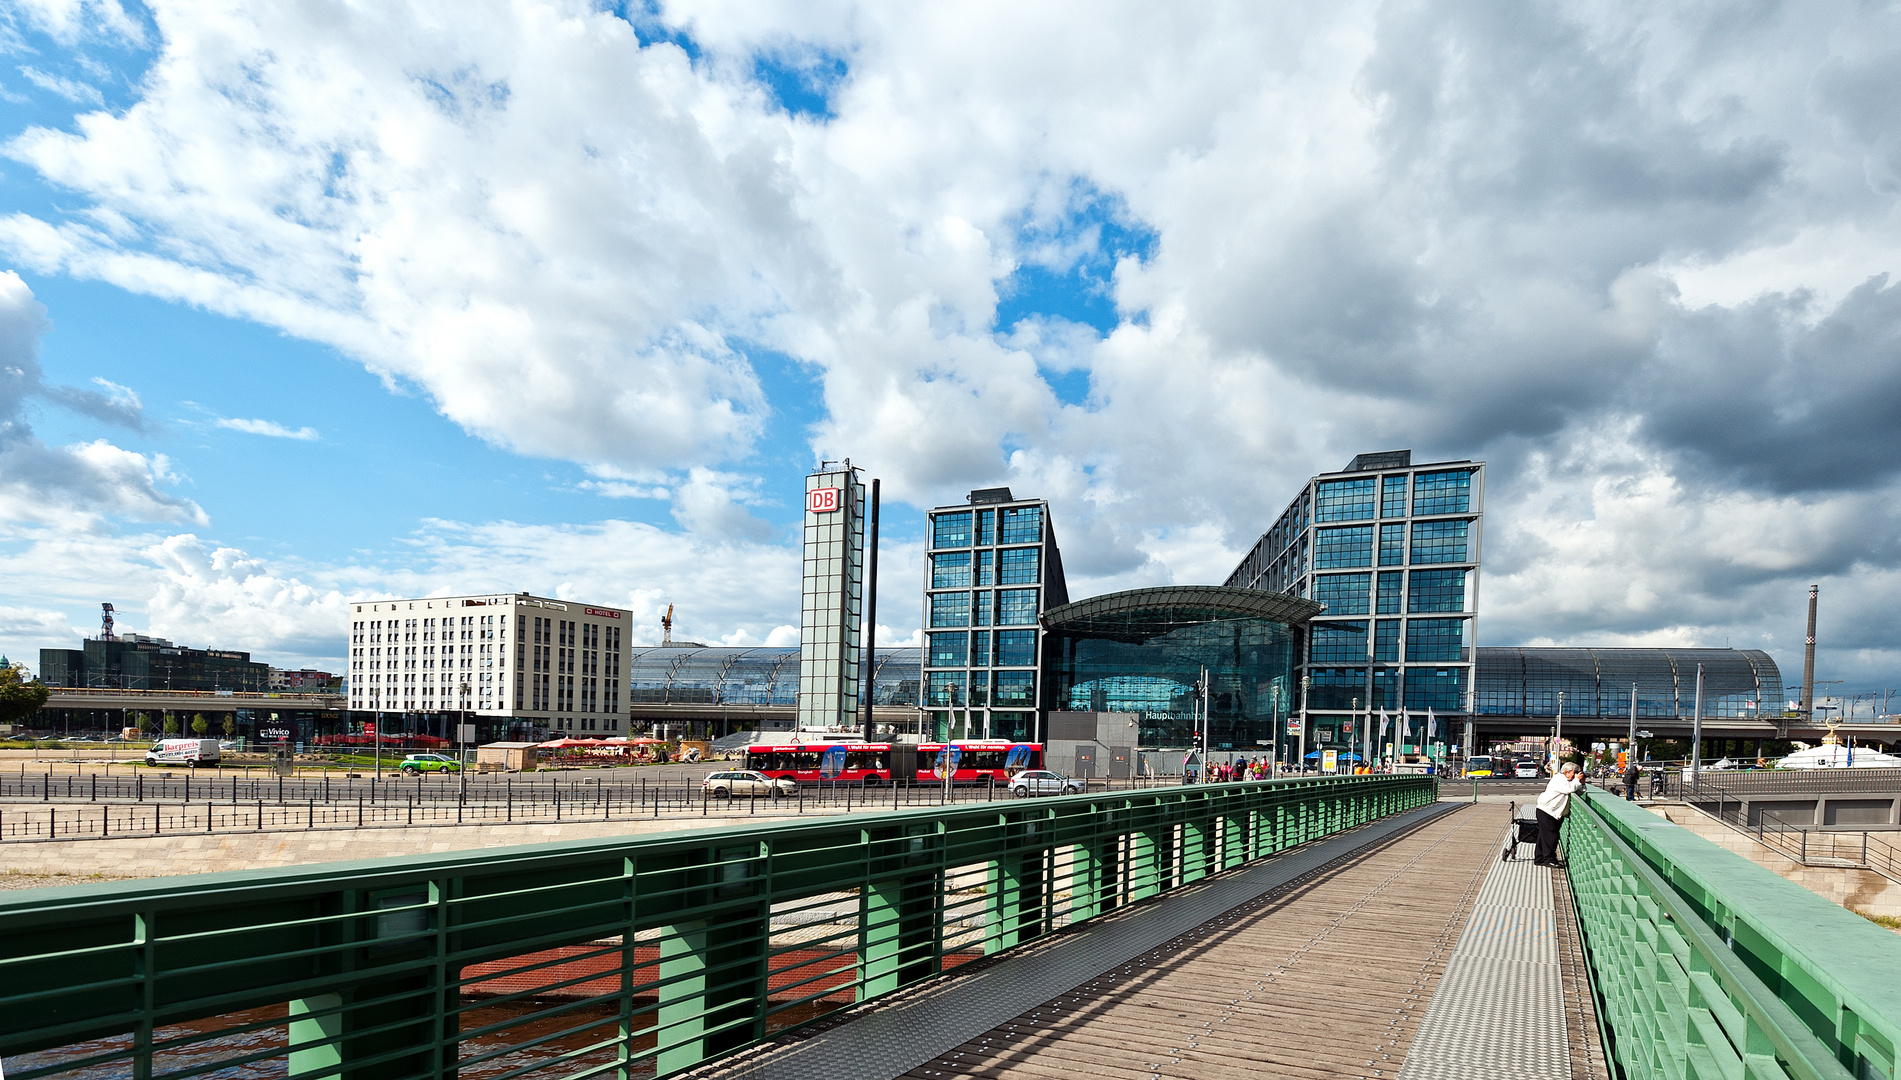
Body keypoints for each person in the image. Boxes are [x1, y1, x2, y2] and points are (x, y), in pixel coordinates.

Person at [1534, 760, 1584, 867]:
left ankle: (1539, 858)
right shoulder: (1559, 779)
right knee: (1551, 836)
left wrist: (1582, 783)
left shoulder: (1568, 780)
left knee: (1543, 836)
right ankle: (1549, 860)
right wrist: (1577, 780)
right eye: (1574, 773)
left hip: (1549, 811)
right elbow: (1569, 789)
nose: (1575, 775)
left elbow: (1579, 791)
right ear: (1566, 772)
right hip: (1547, 811)